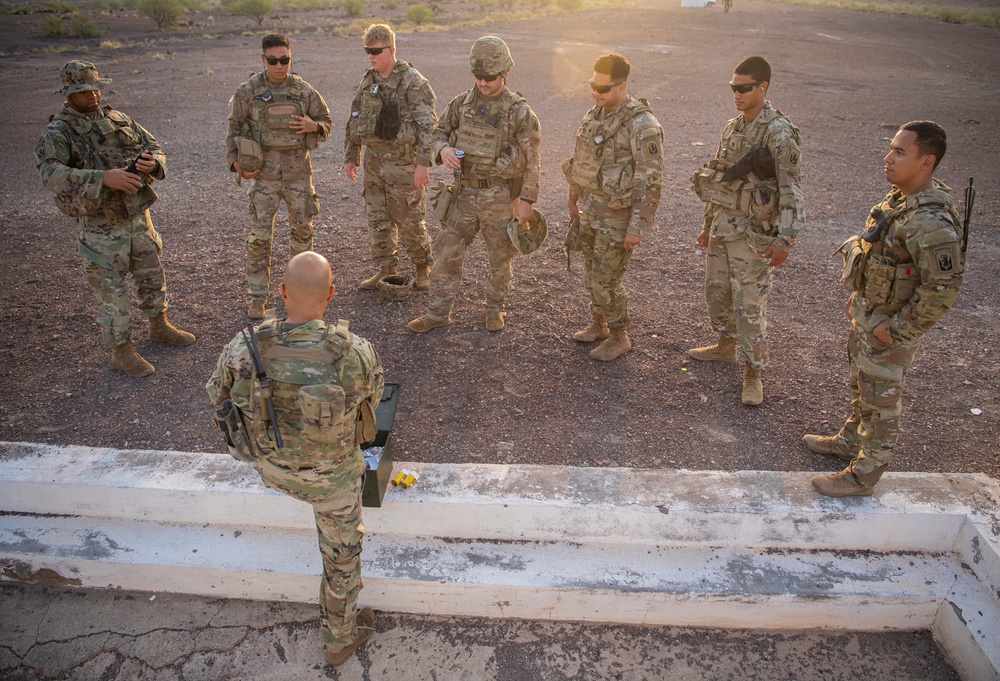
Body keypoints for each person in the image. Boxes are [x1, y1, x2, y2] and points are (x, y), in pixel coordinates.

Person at [206, 251, 384, 666]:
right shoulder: (355, 352)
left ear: (282, 292)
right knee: (341, 559)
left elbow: (217, 396)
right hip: (333, 485)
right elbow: (371, 405)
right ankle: (339, 640)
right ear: (332, 294)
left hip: (270, 469)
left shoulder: (243, 347)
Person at [807, 121, 965, 497]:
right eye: (891, 148)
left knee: (881, 402)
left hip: (889, 328)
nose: (888, 157)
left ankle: (863, 476)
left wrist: (895, 329)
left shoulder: (932, 222)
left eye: (899, 152)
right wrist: (860, 297)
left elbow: (943, 290)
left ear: (927, 162)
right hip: (870, 314)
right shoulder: (898, 201)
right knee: (862, 387)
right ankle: (850, 441)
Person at [35, 60, 196, 378]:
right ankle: (122, 350)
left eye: (95, 88)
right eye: (83, 91)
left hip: (137, 216)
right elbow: (50, 174)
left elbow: (154, 145)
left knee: (151, 275)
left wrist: (153, 163)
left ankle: (158, 326)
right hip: (100, 225)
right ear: (68, 94)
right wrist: (102, 178)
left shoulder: (117, 118)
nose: (92, 95)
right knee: (111, 293)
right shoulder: (59, 132)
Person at [689, 55, 805, 405]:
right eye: (733, 88)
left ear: (762, 87)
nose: (736, 94)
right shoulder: (732, 127)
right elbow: (721, 179)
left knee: (749, 305)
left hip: (754, 234)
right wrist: (707, 224)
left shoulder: (778, 132)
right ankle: (725, 345)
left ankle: (753, 372)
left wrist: (786, 239)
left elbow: (791, 189)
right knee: (717, 292)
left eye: (743, 88)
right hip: (724, 226)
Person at [407, 35, 541, 334]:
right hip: (464, 193)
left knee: (500, 256)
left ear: (504, 72)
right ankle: (438, 312)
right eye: (478, 76)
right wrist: (442, 150)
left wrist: (526, 201)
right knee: (446, 252)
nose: (483, 82)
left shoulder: (518, 111)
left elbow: (532, 160)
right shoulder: (461, 103)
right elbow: (439, 131)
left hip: (499, 195)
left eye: (490, 77)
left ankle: (494, 309)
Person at [564, 53, 663, 362]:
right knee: (591, 272)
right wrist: (573, 197)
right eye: (593, 85)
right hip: (591, 210)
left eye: (604, 88)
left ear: (622, 86)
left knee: (606, 279)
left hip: (619, 218)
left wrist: (638, 226)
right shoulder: (594, 115)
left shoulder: (642, 125)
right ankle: (598, 324)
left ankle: (620, 335)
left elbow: (652, 178)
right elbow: (582, 160)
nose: (597, 92)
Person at [227, 33, 333, 320]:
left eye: (284, 60)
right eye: (273, 60)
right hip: (264, 177)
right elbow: (233, 130)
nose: (279, 65)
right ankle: (257, 297)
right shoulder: (247, 91)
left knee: (302, 237)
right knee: (260, 238)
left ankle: (302, 297)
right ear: (263, 59)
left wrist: (314, 126)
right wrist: (236, 165)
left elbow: (327, 122)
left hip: (299, 176)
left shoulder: (303, 90)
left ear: (290, 58)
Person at [345, 23, 437, 292]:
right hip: (374, 163)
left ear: (392, 49)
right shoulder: (368, 80)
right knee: (378, 219)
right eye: (367, 51)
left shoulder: (412, 82)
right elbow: (354, 119)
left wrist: (422, 164)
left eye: (377, 51)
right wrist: (351, 156)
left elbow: (428, 126)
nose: (372, 56)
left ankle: (423, 268)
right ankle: (386, 269)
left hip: (404, 165)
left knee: (410, 220)